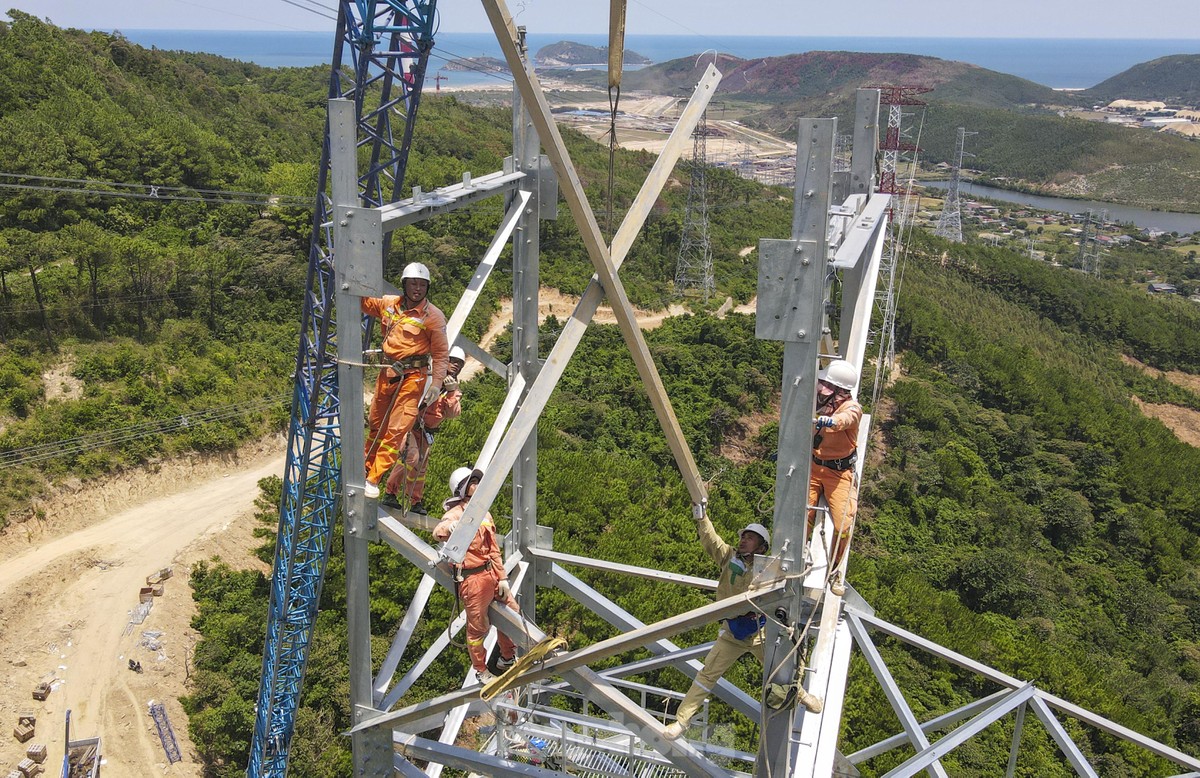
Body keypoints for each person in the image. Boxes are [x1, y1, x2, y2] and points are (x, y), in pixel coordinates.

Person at [664, 508, 773, 740]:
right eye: (743, 536)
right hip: (733, 631)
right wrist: (702, 517)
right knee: (707, 675)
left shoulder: (768, 569)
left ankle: (801, 694)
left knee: (782, 666)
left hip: (759, 631)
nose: (743, 540)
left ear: (761, 547)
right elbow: (711, 540)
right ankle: (682, 721)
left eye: (750, 538)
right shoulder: (730, 556)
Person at [360, 262, 449, 499]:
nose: (417, 289)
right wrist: (349, 272)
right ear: (404, 285)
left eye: (422, 285)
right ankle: (365, 468)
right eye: (413, 284)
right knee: (376, 425)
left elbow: (440, 355)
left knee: (397, 429)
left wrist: (436, 384)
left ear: (427, 287)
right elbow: (362, 301)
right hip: (388, 372)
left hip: (413, 377)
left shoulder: (433, 317)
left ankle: (374, 478)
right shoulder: (389, 304)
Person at [433, 466, 520, 684]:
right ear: (462, 489)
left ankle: (506, 658)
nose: (477, 486)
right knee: (478, 628)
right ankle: (481, 670)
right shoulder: (455, 514)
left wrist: (502, 577)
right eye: (472, 482)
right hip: (472, 580)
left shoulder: (484, 513)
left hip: (490, 572)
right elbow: (438, 532)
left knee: (512, 612)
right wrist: (450, 527)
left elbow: (493, 549)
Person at [382, 345, 466, 514]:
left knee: (420, 466)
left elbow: (452, 413)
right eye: (453, 361)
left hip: (425, 431)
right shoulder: (429, 377)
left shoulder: (453, 390)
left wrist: (450, 393)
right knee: (411, 457)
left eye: (459, 364)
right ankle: (390, 492)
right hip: (410, 425)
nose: (456, 365)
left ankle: (415, 501)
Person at [808, 359, 862, 597]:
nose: (820, 391)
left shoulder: (849, 408)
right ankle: (796, 558)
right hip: (813, 466)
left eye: (826, 387)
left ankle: (835, 569)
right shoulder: (820, 404)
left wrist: (832, 421)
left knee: (842, 525)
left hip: (838, 473)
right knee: (802, 516)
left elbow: (849, 418)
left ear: (839, 392)